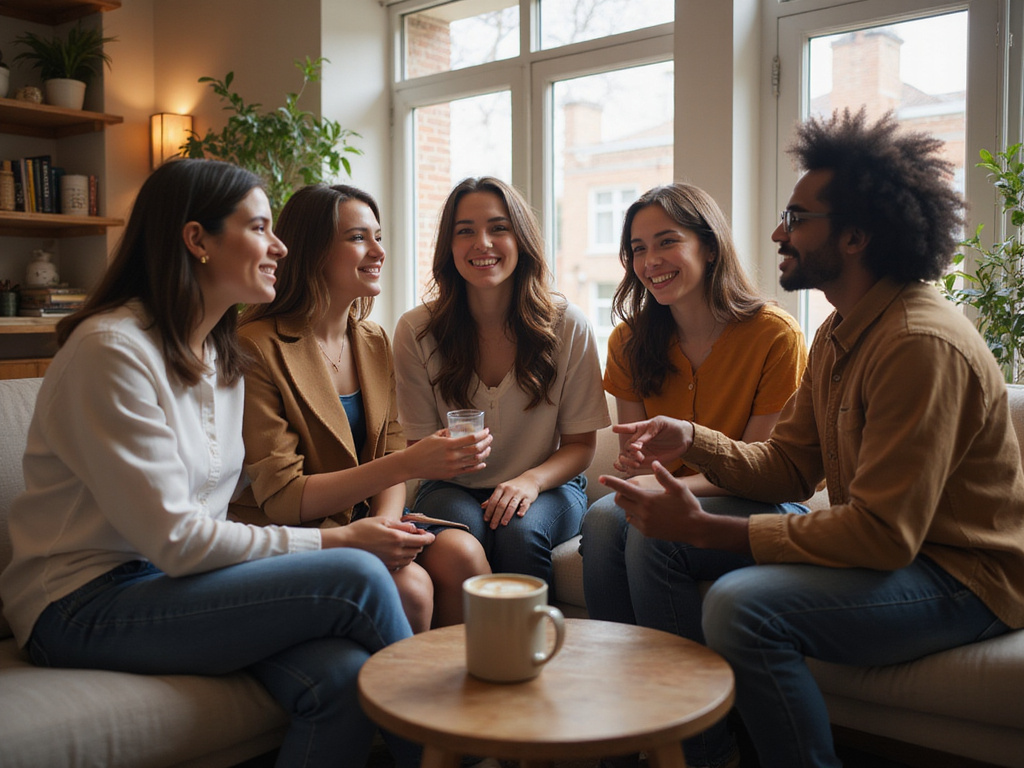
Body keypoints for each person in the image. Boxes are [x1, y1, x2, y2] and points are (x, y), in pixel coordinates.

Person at [601, 109, 1024, 768]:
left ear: (855, 235)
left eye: (796, 219)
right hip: (901, 555)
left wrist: (718, 532)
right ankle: (695, 756)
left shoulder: (917, 343)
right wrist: (691, 436)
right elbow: (791, 468)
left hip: (962, 575)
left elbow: (885, 535)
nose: (777, 233)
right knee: (654, 542)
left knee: (745, 608)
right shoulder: (842, 330)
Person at [0, 160, 418, 768]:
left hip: (176, 584)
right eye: (258, 227)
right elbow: (177, 540)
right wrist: (340, 541)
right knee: (357, 575)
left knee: (342, 678)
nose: (279, 246)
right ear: (196, 240)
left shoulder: (221, 356)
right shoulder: (111, 351)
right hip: (78, 604)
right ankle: (449, 756)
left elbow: (204, 528)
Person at [580, 182, 808, 768]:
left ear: (709, 246)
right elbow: (635, 457)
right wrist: (640, 475)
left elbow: (763, 466)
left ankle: (699, 748)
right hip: (677, 493)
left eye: (666, 242)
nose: (649, 261)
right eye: (636, 248)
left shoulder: (773, 335)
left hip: (758, 497)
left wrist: (662, 488)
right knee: (604, 519)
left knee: (649, 530)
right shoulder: (630, 340)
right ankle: (623, 728)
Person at [234, 183, 492, 631]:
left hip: (370, 519)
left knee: (464, 554)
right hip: (306, 533)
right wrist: (409, 466)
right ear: (312, 251)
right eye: (358, 238)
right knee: (411, 588)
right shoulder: (257, 346)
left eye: (378, 236)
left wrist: (386, 527)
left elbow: (390, 457)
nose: (378, 251)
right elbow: (283, 499)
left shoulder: (372, 341)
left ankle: (482, 696)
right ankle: (410, 700)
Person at [393, 176, 610, 586]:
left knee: (520, 534)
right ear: (449, 246)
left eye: (498, 228)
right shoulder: (417, 330)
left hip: (548, 485)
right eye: (465, 231)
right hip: (451, 487)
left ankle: (532, 649)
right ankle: (460, 650)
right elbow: (417, 449)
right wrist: (441, 452)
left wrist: (529, 481)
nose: (483, 243)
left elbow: (581, 447)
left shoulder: (568, 325)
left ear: (521, 239)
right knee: (461, 539)